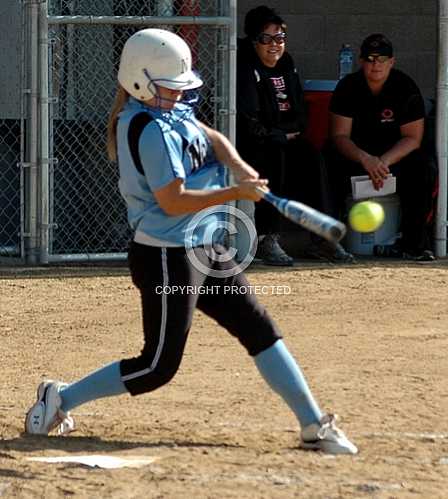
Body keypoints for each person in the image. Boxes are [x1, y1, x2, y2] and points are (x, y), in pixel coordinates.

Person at [24, 28, 357, 455]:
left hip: (204, 246)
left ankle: (314, 424)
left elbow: (209, 137)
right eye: (169, 87)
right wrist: (236, 194)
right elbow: (174, 200)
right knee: (157, 367)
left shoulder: (170, 111)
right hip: (166, 256)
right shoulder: (148, 129)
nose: (179, 95)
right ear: (140, 82)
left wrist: (237, 167)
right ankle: (61, 398)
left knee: (260, 328)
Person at [236, 6, 353, 266]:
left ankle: (323, 238)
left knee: (312, 155)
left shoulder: (287, 63)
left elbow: (300, 110)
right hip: (255, 143)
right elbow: (248, 119)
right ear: (254, 40)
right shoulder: (243, 65)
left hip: (285, 137)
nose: (275, 45)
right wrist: (276, 135)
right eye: (267, 39)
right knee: (273, 157)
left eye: (280, 38)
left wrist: (290, 131)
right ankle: (267, 237)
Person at [326, 33, 437, 261]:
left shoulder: (405, 87)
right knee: (325, 159)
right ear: (361, 61)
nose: (376, 64)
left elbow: (413, 138)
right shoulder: (348, 87)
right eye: (370, 58)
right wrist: (365, 159)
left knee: (423, 166)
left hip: (394, 159)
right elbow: (339, 135)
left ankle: (414, 243)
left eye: (382, 58)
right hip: (356, 157)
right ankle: (327, 241)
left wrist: (383, 162)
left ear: (392, 62)